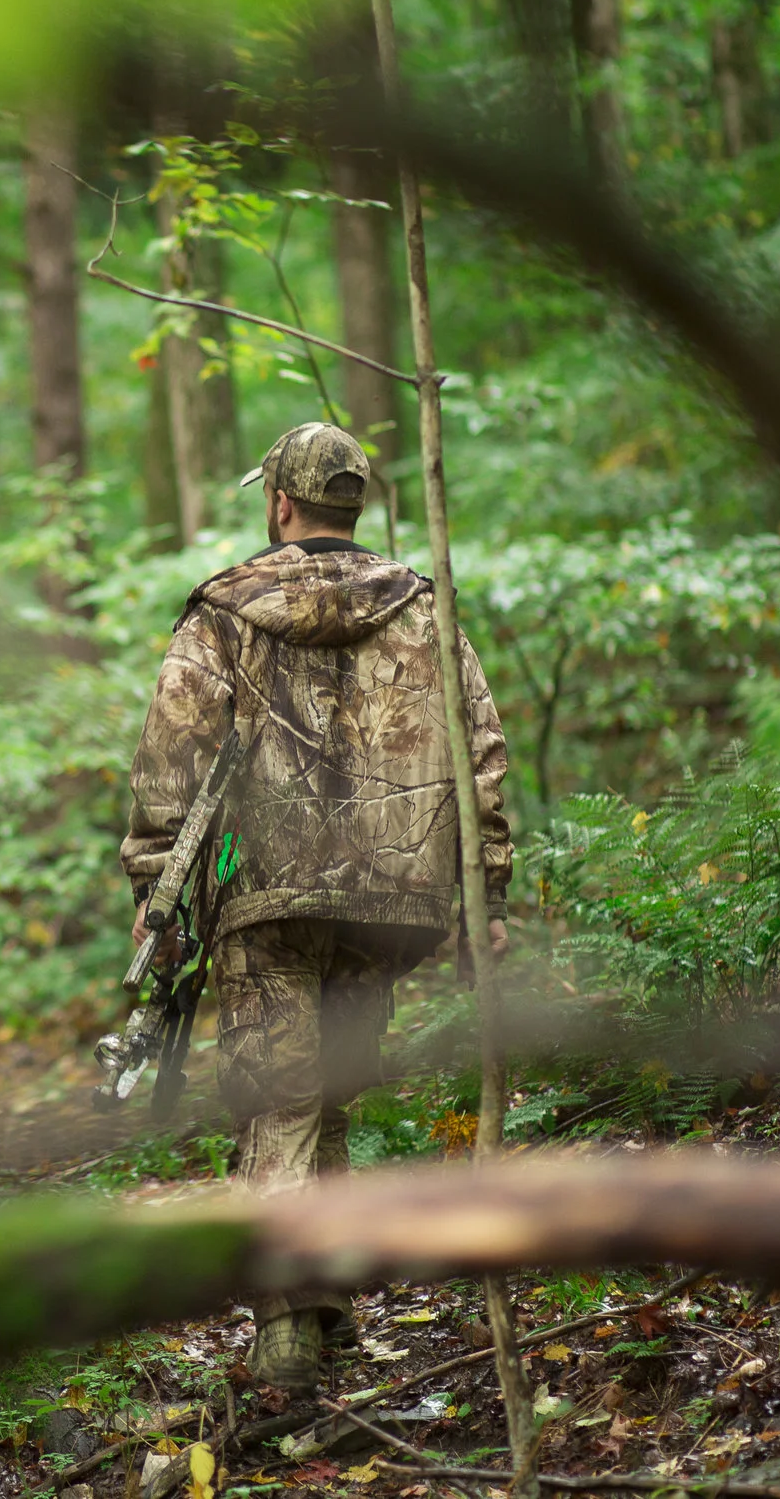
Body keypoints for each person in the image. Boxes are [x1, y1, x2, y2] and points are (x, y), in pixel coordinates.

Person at [119, 421, 512, 1395]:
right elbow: (482, 755)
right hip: (393, 896)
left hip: (264, 891)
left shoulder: (222, 612)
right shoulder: (426, 609)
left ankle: (288, 1327)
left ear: (280, 503)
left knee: (282, 1095)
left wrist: (156, 891)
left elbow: (171, 754)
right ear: (353, 504)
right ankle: (325, 1298)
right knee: (320, 1088)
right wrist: (486, 893)